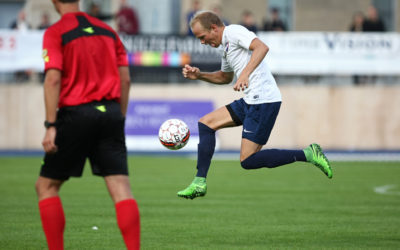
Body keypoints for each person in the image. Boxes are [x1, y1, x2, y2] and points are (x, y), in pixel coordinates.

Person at [178, 11, 332, 200]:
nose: (202, 42)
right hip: (251, 99)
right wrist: (199, 75)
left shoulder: (234, 32)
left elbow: (261, 47)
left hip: (264, 100)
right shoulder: (224, 46)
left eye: (202, 37)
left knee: (248, 160)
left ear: (214, 28)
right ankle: (199, 182)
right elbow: (224, 77)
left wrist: (244, 74)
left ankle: (308, 154)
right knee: (206, 123)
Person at [35, 1, 140, 249]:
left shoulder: (55, 31)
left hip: (76, 114)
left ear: (54, 2)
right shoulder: (108, 30)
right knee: (121, 189)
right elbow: (125, 80)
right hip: (111, 113)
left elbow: (52, 79)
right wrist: (119, 117)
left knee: (46, 186)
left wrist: (51, 124)